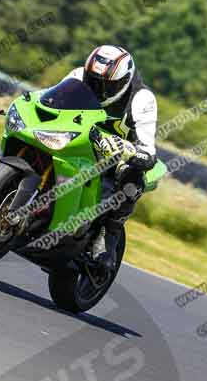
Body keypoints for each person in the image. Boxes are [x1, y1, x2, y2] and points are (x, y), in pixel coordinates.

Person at [60, 45, 158, 270]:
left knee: (133, 176)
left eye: (106, 85)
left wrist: (129, 151)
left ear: (123, 82)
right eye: (93, 80)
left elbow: (148, 151)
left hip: (114, 160)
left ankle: (107, 235)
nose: (97, 88)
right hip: (78, 142)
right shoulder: (77, 76)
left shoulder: (142, 99)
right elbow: (50, 100)